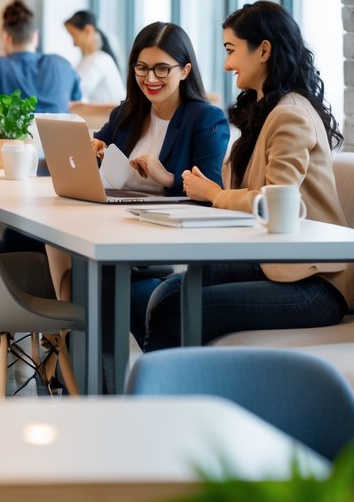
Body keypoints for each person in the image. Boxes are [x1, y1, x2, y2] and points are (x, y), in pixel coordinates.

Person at [144, 1, 351, 351]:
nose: (226, 64)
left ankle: (161, 396)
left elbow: (274, 201)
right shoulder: (266, 111)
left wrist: (213, 193)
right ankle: (162, 392)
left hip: (312, 283)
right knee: (167, 294)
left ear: (264, 50)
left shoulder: (291, 116)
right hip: (271, 265)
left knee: (175, 307)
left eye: (231, 50)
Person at [46, 21, 229, 354]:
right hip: (118, 226)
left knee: (94, 283)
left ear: (185, 70)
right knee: (45, 243)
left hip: (163, 242)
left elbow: (212, 192)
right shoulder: (128, 112)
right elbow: (101, 141)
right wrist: (94, 149)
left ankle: (81, 373)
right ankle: (78, 369)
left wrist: (167, 177)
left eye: (162, 69)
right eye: (142, 68)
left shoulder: (206, 118)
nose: (151, 79)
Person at [0, 0, 82, 114]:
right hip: (59, 143)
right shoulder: (63, 64)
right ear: (35, 36)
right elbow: (76, 101)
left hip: (12, 143)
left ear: (5, 37)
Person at [64, 10, 123, 104]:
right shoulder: (90, 59)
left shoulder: (99, 60)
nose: (73, 43)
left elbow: (75, 93)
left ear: (88, 30)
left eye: (73, 35)